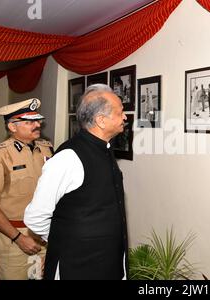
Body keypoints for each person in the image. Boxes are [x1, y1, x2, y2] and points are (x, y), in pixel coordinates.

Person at [24, 84, 129, 280]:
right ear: (101, 120)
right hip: (77, 268)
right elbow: (35, 217)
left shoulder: (104, 150)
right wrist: (68, 239)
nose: (125, 117)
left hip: (107, 266)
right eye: (120, 112)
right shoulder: (68, 158)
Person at [0, 98, 53, 280]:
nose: (37, 125)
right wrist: (19, 238)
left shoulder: (47, 149)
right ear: (12, 127)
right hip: (13, 239)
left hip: (44, 234)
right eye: (30, 122)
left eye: (38, 120)